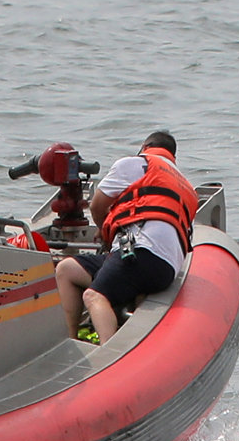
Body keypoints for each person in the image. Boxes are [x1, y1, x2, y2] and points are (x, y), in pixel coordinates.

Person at [54, 130, 196, 345]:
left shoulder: (134, 164)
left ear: (145, 147)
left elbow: (97, 205)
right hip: (166, 267)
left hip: (141, 254)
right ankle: (70, 343)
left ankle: (108, 358)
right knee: (66, 270)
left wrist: (104, 231)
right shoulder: (186, 186)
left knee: (93, 296)